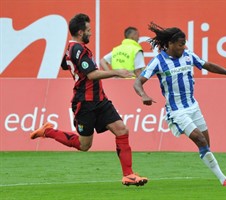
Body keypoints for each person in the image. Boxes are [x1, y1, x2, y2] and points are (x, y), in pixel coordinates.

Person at [30, 13, 148, 186]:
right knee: (84, 145)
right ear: (80, 32)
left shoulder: (73, 48)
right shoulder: (77, 49)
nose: (91, 34)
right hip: (84, 103)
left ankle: (128, 175)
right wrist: (117, 71)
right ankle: (48, 132)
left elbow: (64, 64)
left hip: (100, 100)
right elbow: (92, 74)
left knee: (122, 130)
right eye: (88, 30)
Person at [134, 22, 226, 186]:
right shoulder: (158, 61)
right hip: (177, 111)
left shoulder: (188, 55)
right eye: (181, 44)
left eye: (184, 43)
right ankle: (224, 180)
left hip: (193, 107)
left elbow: (207, 65)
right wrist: (143, 95)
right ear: (170, 44)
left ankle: (219, 175)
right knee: (201, 140)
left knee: (206, 145)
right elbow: (137, 82)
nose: (184, 47)